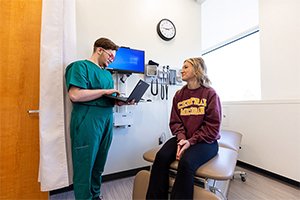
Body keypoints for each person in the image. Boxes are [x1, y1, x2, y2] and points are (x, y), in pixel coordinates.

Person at [65, 37, 133, 200]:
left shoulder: (107, 74)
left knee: (99, 164)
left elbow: (105, 97)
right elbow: (75, 95)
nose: (112, 59)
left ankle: (95, 196)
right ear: (99, 50)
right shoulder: (79, 66)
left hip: (107, 118)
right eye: (110, 55)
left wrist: (118, 101)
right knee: (85, 165)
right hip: (87, 120)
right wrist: (104, 92)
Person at [146, 57, 222, 200]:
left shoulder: (210, 94)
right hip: (183, 138)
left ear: (197, 70)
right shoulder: (179, 95)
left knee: (186, 162)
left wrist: (191, 141)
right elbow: (175, 122)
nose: (182, 70)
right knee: (161, 157)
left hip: (206, 141)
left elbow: (212, 127)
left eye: (186, 67)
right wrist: (181, 139)